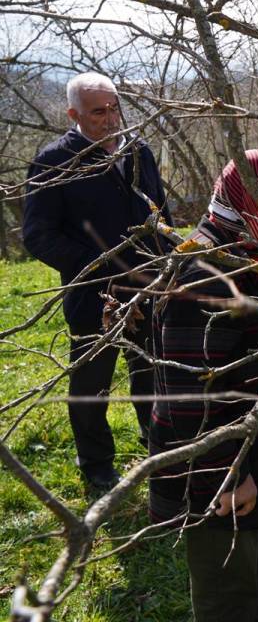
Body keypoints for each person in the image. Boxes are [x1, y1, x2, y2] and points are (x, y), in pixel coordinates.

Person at [149, 150, 258, 621]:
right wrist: (225, 473)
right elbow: (188, 396)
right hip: (226, 475)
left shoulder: (253, 257)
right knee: (230, 594)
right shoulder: (204, 273)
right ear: (255, 202)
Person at [22, 72, 173, 493]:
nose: (110, 119)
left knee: (151, 370)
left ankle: (158, 444)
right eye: (97, 112)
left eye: (114, 108)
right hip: (94, 292)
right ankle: (96, 465)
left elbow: (159, 212)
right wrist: (98, 265)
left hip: (148, 284)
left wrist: (170, 263)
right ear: (73, 114)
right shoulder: (55, 162)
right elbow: (38, 236)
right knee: (93, 382)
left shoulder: (138, 152)